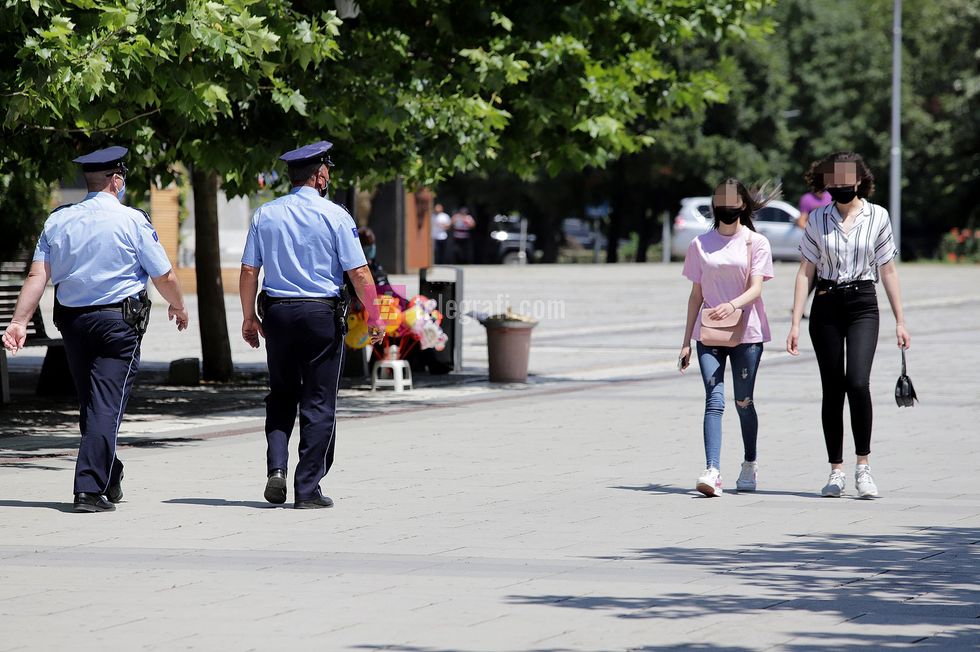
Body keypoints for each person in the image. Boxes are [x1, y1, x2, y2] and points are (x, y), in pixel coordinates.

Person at [1, 146, 189, 513]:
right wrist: (179, 306)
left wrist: (19, 321)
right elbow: (163, 274)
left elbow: (38, 275)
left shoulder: (58, 221)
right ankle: (88, 489)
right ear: (116, 179)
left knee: (92, 402)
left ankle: (109, 471)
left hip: (73, 323)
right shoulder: (132, 221)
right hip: (118, 324)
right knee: (106, 404)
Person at [239, 140, 384, 510]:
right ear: (320, 176)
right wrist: (375, 317)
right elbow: (359, 272)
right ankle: (307, 489)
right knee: (318, 401)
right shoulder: (336, 216)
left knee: (281, 394)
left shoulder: (264, 214)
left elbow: (248, 270)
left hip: (278, 314)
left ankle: (276, 469)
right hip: (321, 315)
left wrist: (248, 318)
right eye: (328, 171)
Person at [787, 151, 910, 499]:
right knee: (833, 387)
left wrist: (901, 320)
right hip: (825, 302)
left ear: (859, 180)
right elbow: (805, 271)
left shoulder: (878, 216)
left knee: (857, 381)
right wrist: (795, 321)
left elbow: (887, 269)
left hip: (862, 304)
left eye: (847, 180)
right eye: (834, 180)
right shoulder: (817, 218)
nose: (841, 186)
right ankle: (836, 470)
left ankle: (863, 466)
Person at [679, 178, 775, 497]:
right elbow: (695, 295)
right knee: (714, 400)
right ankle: (713, 471)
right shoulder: (699, 244)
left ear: (743, 205)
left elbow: (757, 287)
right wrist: (684, 342)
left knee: (743, 401)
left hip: (747, 333)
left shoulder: (755, 243)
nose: (727, 206)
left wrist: (731, 305)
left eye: (733, 201)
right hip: (708, 333)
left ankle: (749, 463)